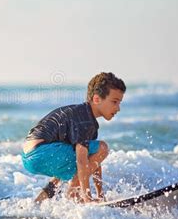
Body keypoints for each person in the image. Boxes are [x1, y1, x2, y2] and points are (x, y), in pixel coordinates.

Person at [21, 72, 126, 203]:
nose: (118, 108)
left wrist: (100, 194)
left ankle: (38, 202)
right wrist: (88, 198)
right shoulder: (84, 119)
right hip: (42, 151)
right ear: (97, 99)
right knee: (102, 148)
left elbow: (95, 162)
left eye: (119, 103)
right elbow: (82, 161)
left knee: (61, 175)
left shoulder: (85, 117)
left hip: (28, 157)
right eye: (114, 102)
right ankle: (74, 195)